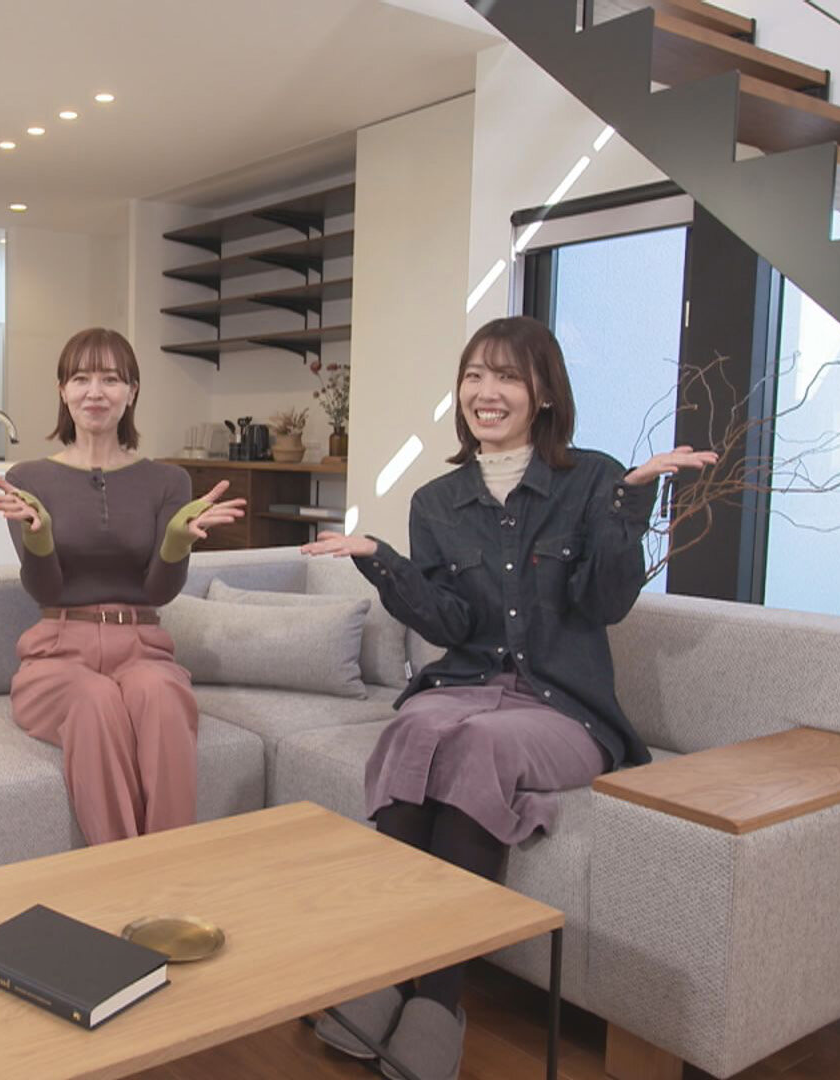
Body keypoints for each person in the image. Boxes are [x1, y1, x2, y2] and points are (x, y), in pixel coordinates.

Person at [301, 316, 716, 1079]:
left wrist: (631, 505)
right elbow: (451, 624)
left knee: (479, 746)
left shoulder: (594, 480)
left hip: (563, 708)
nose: (486, 393)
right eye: (474, 376)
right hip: (465, 687)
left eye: (507, 377)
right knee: (413, 730)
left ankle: (438, 1001)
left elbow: (606, 604)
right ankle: (383, 974)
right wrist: (381, 561)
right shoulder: (435, 501)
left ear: (544, 393)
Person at [0, 327, 245, 845]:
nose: (95, 392)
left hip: (142, 646)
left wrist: (176, 543)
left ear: (132, 392)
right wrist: (39, 537)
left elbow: (158, 592)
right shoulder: (28, 478)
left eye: (110, 379)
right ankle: (122, 872)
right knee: (96, 699)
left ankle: (170, 866)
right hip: (58, 652)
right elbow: (46, 590)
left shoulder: (169, 481)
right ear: (62, 390)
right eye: (81, 378)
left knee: (162, 696)